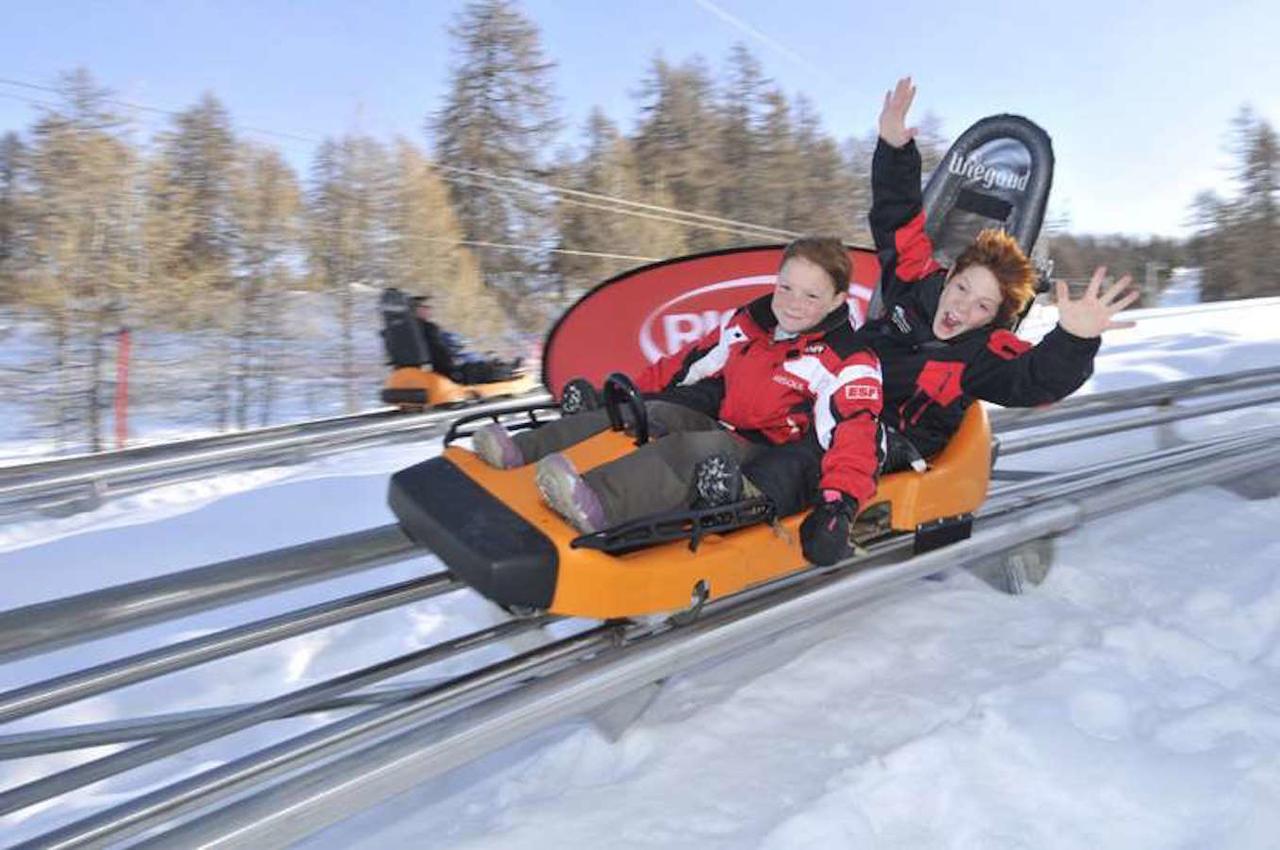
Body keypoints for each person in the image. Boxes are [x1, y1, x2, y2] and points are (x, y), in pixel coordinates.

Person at [728, 77, 1139, 565]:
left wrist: (1074, 338)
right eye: (962, 289)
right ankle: (689, 471)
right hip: (834, 400)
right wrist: (895, 148)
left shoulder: (983, 355)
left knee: (816, 453)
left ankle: (738, 504)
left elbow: (1035, 379)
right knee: (756, 397)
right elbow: (897, 218)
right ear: (949, 276)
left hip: (894, 437)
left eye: (982, 307)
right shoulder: (913, 285)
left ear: (994, 320)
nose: (963, 308)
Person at [471, 236, 885, 556]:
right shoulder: (751, 323)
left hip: (773, 455)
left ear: (838, 300)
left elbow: (856, 436)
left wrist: (838, 507)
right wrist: (632, 394)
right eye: (786, 288)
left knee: (696, 449)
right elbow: (687, 364)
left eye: (811, 295)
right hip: (727, 420)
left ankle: (597, 502)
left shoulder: (848, 360)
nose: (793, 304)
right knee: (650, 412)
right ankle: (519, 451)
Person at [412, 297, 521, 384]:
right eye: (424, 307)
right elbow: (439, 351)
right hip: (447, 370)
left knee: (478, 362)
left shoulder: (410, 330)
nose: (429, 309)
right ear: (416, 310)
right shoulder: (427, 328)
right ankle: (510, 371)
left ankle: (504, 367)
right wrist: (453, 362)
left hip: (436, 368)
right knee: (482, 367)